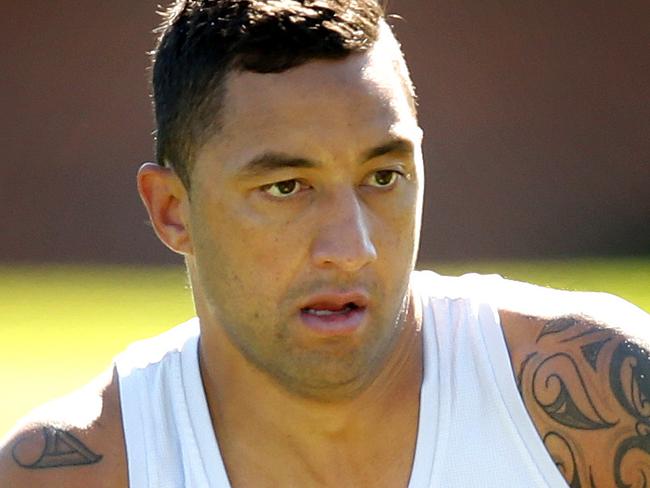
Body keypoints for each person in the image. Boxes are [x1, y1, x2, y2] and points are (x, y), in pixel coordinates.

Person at [1, 1, 648, 486]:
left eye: (383, 176)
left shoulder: (600, 403)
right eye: (287, 187)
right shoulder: (79, 471)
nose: (353, 248)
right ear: (172, 211)